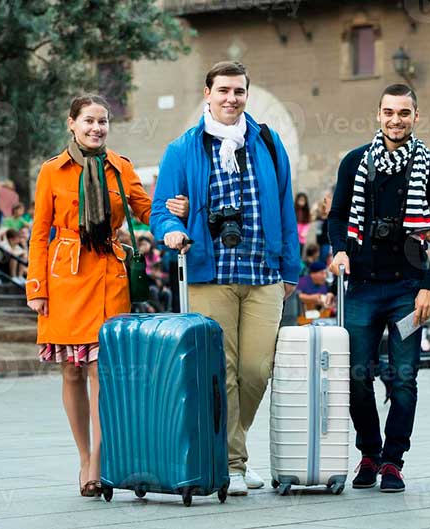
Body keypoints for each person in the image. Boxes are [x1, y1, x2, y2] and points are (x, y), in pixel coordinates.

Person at [26, 94, 187, 498]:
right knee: (71, 372)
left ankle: (98, 463)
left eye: (103, 122)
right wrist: (37, 288)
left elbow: (146, 210)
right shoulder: (51, 172)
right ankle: (83, 456)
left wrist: (174, 211)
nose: (96, 128)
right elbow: (39, 232)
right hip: (63, 279)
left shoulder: (121, 168)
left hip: (109, 280)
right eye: (88, 121)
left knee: (102, 373)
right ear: (72, 124)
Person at [151, 61, 300, 496]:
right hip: (208, 274)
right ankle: (232, 463)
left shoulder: (268, 144)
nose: (231, 98)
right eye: (224, 91)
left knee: (256, 369)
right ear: (207, 93)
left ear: (246, 95)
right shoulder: (183, 149)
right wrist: (171, 230)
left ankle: (231, 448)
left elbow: (286, 209)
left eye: (239, 91)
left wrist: (290, 269)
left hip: (263, 273)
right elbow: (161, 210)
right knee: (224, 371)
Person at [328, 83, 430, 493]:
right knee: (355, 376)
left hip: (407, 289)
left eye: (404, 113)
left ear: (415, 117)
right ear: (378, 115)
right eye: (389, 113)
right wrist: (339, 250)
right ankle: (369, 452)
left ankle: (393, 462)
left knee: (403, 378)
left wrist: (429, 286)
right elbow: (336, 217)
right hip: (361, 287)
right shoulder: (353, 162)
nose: (395, 120)